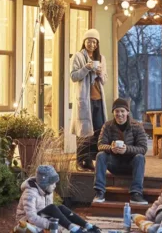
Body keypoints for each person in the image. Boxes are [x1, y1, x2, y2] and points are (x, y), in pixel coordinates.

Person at [93, 98, 148, 204]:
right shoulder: (107, 126)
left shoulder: (137, 127)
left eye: (122, 111)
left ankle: (136, 193)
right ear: (113, 112)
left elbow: (143, 148)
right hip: (113, 164)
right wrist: (111, 148)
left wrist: (126, 149)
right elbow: (100, 145)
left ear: (127, 112)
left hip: (130, 165)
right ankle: (99, 192)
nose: (119, 114)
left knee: (140, 157)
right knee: (100, 155)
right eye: (117, 111)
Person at [15, 165, 101, 233]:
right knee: (52, 208)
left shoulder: (47, 192)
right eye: (53, 183)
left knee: (61, 208)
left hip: (40, 221)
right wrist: (53, 225)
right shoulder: (30, 193)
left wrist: (55, 225)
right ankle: (75, 229)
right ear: (45, 184)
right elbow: (32, 218)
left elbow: (49, 213)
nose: (55, 186)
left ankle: (88, 226)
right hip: (25, 224)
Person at [69, 28, 108, 172]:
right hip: (84, 101)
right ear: (84, 42)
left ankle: (91, 160)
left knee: (98, 130)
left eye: (94, 42)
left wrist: (100, 73)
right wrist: (86, 68)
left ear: (97, 44)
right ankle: (81, 160)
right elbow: (73, 76)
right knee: (84, 131)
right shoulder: (78, 57)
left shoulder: (101, 58)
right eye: (89, 41)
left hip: (98, 99)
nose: (91, 44)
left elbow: (105, 80)